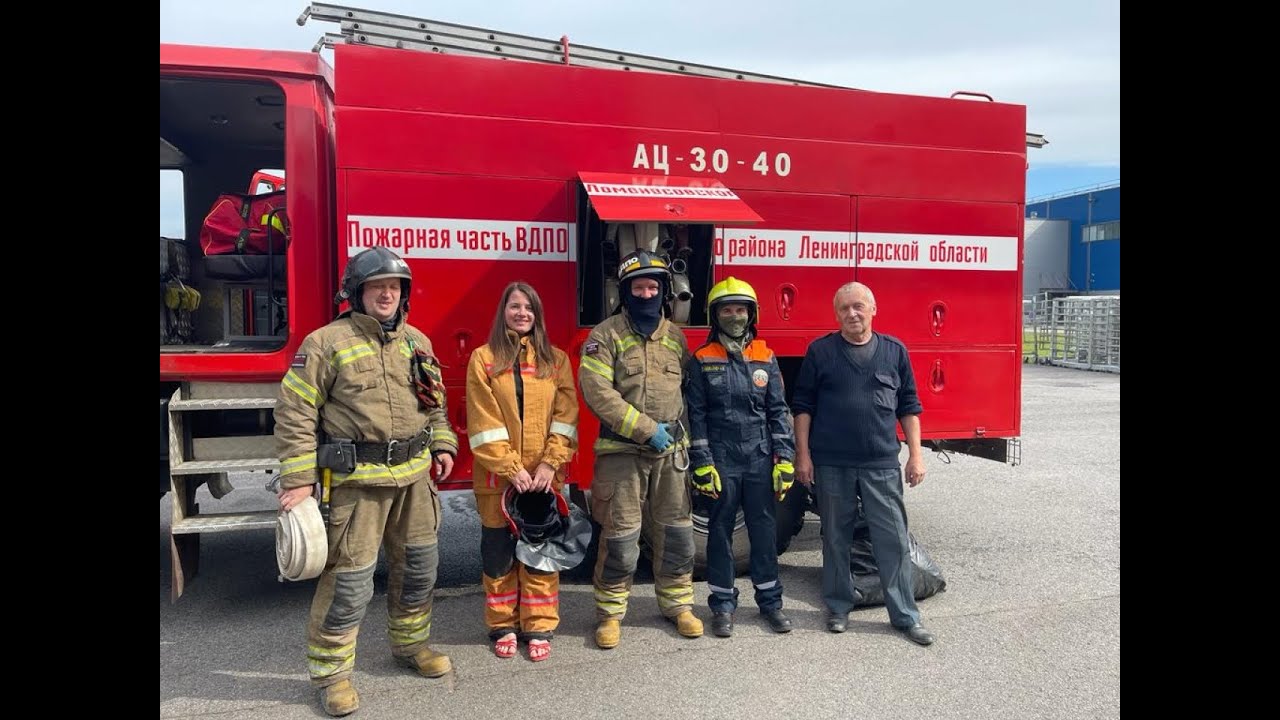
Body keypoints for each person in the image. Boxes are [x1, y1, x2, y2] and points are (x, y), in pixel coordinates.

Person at [273, 246, 460, 716]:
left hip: (415, 480)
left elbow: (434, 404)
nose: (386, 294)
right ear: (356, 292)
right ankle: (332, 676)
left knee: (419, 569)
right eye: (377, 286)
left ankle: (411, 647)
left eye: (394, 287)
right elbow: (296, 412)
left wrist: (443, 444)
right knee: (350, 583)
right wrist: (299, 479)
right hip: (357, 484)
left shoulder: (418, 341)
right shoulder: (325, 343)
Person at [791, 281, 936, 646]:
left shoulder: (894, 351)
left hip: (881, 464)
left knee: (892, 541)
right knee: (835, 538)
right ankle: (839, 606)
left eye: (858, 306)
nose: (852, 313)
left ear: (873, 309)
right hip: (832, 464)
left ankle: (905, 616)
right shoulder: (821, 352)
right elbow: (803, 407)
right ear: (836, 314)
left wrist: (916, 455)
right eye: (844, 308)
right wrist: (803, 455)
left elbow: (909, 407)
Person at [578, 248, 703, 648]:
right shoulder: (605, 335)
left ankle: (678, 605)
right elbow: (598, 393)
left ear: (664, 291)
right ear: (625, 291)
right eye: (638, 288)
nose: (646, 294)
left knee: (677, 533)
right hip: (622, 454)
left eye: (652, 287)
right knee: (620, 538)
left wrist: (688, 443)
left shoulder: (675, 337)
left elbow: (688, 393)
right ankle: (610, 614)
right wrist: (647, 430)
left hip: (671, 455)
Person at [465, 281, 579, 662]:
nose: (522, 313)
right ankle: (503, 625)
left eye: (529, 308)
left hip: (544, 481)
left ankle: (539, 625)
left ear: (537, 315)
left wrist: (550, 462)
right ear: (503, 312)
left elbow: (566, 418)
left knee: (540, 553)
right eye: (515, 306)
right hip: (498, 480)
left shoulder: (556, 361)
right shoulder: (483, 359)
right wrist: (512, 468)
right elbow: (483, 423)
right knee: (498, 555)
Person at [684, 277, 796, 638]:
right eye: (727, 310)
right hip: (721, 460)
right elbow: (696, 416)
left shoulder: (766, 356)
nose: (735, 316)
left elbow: (778, 411)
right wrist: (702, 463)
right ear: (714, 316)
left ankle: (771, 603)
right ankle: (722, 606)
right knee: (719, 532)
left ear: (752, 314)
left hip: (760, 458)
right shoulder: (702, 359)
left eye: (740, 310)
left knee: (763, 531)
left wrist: (785, 459)